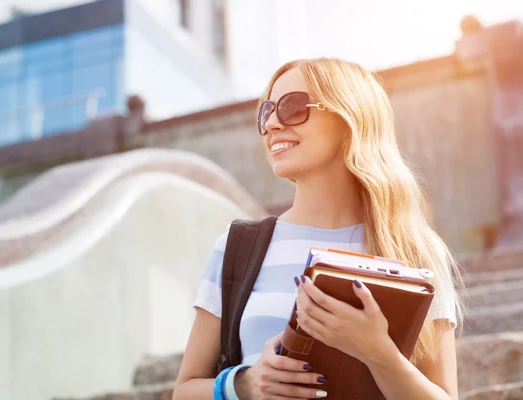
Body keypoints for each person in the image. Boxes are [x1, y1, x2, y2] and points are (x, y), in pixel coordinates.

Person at [172, 57, 465, 400]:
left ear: (348, 118)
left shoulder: (415, 249)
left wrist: (379, 354)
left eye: (292, 107)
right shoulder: (238, 246)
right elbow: (184, 391)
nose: (272, 125)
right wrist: (245, 385)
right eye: (266, 112)